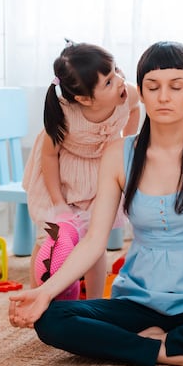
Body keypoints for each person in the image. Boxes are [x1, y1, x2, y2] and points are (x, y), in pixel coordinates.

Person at [10, 41, 183, 366]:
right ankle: (174, 350)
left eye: (176, 87)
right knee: (52, 319)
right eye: (153, 87)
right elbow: (94, 241)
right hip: (138, 302)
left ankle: (148, 345)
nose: (164, 97)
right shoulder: (118, 153)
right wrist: (46, 292)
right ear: (142, 92)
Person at [22, 41, 140, 299]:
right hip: (61, 177)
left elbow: (134, 109)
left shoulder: (127, 93)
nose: (120, 80)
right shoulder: (64, 115)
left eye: (117, 70)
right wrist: (58, 203)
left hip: (99, 176)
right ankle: (37, 298)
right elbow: (49, 157)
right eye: (108, 81)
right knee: (49, 238)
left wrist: (125, 144)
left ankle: (94, 302)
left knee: (94, 243)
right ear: (84, 99)